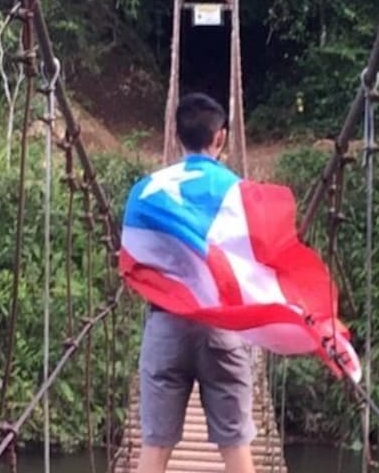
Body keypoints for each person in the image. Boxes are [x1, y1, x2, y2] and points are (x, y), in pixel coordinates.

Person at [136, 93, 256, 473]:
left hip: (165, 325)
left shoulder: (148, 191)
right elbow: (255, 261)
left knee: (154, 447)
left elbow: (134, 257)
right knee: (236, 446)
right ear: (220, 138)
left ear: (176, 136)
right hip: (222, 326)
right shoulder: (239, 192)